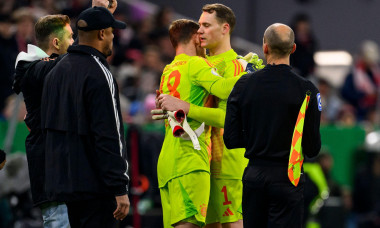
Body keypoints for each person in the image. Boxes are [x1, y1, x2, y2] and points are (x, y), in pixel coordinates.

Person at [13, 1, 118, 227]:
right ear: (56, 42)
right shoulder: (34, 69)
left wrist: (101, 20)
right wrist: (95, 25)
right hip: (52, 176)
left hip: (63, 176)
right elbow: (77, 58)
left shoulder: (45, 68)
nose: (74, 43)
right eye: (71, 37)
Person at [223, 23, 321, 227]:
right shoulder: (307, 89)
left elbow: (230, 140)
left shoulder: (243, 85)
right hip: (288, 176)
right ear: (293, 49)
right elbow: (312, 148)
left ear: (264, 47)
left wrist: (257, 139)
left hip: (254, 175)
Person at [40, 6, 130, 227]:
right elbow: (109, 134)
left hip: (64, 185)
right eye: (111, 32)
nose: (112, 37)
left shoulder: (57, 71)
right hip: (97, 188)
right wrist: (119, 187)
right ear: (101, 34)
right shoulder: (100, 73)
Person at [156, 18, 248, 228]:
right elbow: (224, 89)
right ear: (196, 39)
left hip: (167, 161)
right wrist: (249, 71)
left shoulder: (167, 71)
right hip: (191, 158)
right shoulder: (196, 63)